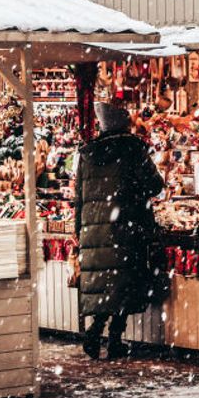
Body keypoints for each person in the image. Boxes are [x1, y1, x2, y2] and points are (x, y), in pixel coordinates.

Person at [75, 101, 165, 360]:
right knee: (123, 284)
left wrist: (78, 230)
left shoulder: (87, 154)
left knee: (105, 284)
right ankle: (114, 338)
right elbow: (154, 184)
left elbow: (78, 198)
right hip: (127, 226)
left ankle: (95, 331)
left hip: (93, 230)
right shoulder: (133, 149)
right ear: (124, 123)